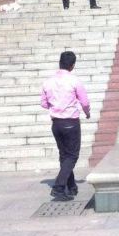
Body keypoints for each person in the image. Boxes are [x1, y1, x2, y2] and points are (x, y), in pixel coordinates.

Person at [40, 51, 90, 201]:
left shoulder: (48, 82)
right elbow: (85, 102)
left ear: (60, 63)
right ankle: (59, 187)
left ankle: (71, 186)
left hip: (56, 123)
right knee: (72, 155)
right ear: (72, 65)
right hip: (71, 122)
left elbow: (43, 103)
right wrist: (87, 113)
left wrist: (55, 106)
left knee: (64, 155)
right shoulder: (74, 81)